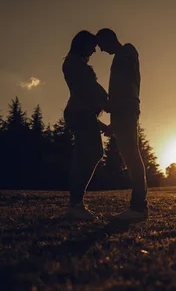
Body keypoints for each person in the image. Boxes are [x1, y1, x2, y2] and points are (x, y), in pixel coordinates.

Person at [96, 28, 148, 221]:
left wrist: (112, 105)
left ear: (109, 39)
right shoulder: (121, 55)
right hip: (122, 110)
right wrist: (113, 122)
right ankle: (137, 206)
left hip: (125, 109)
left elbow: (125, 85)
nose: (101, 50)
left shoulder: (127, 51)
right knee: (130, 156)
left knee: (132, 156)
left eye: (101, 45)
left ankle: (138, 207)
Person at [62, 30, 110, 220]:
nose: (94, 51)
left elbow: (88, 96)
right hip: (80, 114)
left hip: (82, 114)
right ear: (82, 44)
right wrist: (108, 103)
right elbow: (88, 91)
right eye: (92, 46)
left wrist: (101, 123)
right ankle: (75, 203)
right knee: (90, 155)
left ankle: (76, 203)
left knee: (86, 156)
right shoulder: (74, 64)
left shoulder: (76, 64)